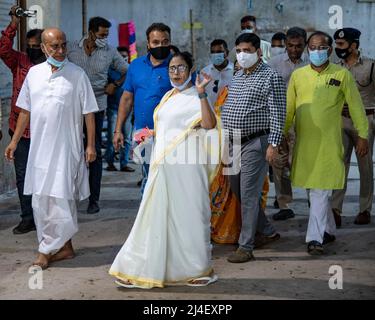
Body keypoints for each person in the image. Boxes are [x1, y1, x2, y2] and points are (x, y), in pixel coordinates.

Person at [109, 52, 219, 288]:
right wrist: (149, 135)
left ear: (190, 70)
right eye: (172, 68)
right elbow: (171, 128)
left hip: (188, 168)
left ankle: (198, 269)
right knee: (154, 217)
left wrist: (201, 93)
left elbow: (209, 125)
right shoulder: (169, 96)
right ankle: (137, 267)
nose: (176, 73)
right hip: (163, 166)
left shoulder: (196, 97)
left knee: (190, 216)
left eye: (181, 68)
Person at [5, 28, 98, 269]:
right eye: (54, 46)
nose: (59, 50)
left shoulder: (77, 75)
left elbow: (89, 112)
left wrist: (90, 145)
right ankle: (63, 248)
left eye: (63, 45)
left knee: (62, 199)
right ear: (43, 48)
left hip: (68, 148)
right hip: (40, 150)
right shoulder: (34, 74)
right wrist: (14, 141)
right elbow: (25, 111)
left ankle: (45, 251)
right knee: (42, 200)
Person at [285, 31, 369, 255]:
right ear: (307, 50)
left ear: (330, 50)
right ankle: (329, 229)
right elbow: (289, 110)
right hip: (305, 143)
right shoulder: (298, 75)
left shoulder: (342, 75)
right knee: (313, 188)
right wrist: (281, 137)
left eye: (321, 47)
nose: (317, 51)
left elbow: (356, 107)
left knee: (320, 191)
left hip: (329, 143)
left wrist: (363, 135)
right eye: (312, 47)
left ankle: (314, 239)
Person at [221, 33, 285, 263]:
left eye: (247, 50)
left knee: (249, 194)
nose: (242, 55)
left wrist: (274, 144)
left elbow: (279, 113)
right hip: (233, 142)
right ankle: (267, 230)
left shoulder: (271, 77)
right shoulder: (237, 74)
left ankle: (245, 246)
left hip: (256, 142)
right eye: (238, 50)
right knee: (237, 189)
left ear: (258, 52)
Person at [68, 17, 128, 214]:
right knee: (70, 151)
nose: (104, 38)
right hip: (71, 108)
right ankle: (70, 195)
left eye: (107, 35)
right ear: (91, 32)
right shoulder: (71, 49)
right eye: (102, 35)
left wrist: (115, 84)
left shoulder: (110, 52)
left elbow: (129, 71)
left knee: (93, 152)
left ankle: (94, 200)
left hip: (96, 106)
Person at [0, 5, 46, 234]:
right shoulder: (19, 61)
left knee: (45, 175)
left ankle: (44, 216)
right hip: (20, 131)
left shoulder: (52, 67)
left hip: (45, 131)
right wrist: (13, 24)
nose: (33, 50)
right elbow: (3, 48)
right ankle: (27, 217)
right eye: (30, 46)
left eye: (38, 46)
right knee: (22, 176)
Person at [113, 23, 173, 194]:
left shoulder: (178, 66)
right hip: (143, 132)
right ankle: (148, 219)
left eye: (164, 41)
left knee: (169, 179)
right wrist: (118, 130)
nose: (160, 46)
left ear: (170, 42)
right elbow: (126, 99)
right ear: (148, 44)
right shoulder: (136, 66)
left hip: (172, 134)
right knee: (148, 176)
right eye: (155, 42)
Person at [331, 28, 375, 226]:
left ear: (354, 45)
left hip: (365, 121)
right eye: (336, 44)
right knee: (340, 164)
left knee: (365, 167)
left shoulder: (370, 66)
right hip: (341, 121)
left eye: (341, 44)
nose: (337, 48)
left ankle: (365, 209)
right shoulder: (334, 68)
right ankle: (335, 209)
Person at [267, 26, 309, 221]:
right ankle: (285, 204)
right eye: (290, 45)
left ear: (305, 45)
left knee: (307, 160)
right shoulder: (274, 64)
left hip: (306, 119)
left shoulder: (311, 64)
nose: (294, 50)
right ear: (285, 44)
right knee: (279, 162)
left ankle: (314, 199)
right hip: (281, 118)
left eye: (298, 46)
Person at [105, 46, 134, 172]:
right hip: (114, 108)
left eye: (124, 56)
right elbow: (107, 88)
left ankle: (124, 163)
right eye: (120, 56)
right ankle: (110, 162)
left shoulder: (132, 71)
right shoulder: (110, 71)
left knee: (127, 138)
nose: (123, 59)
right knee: (112, 136)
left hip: (128, 110)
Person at [200, 39, 234, 106]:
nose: (216, 55)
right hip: (211, 113)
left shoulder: (236, 72)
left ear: (227, 52)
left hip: (231, 114)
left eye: (219, 52)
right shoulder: (204, 73)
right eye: (213, 52)